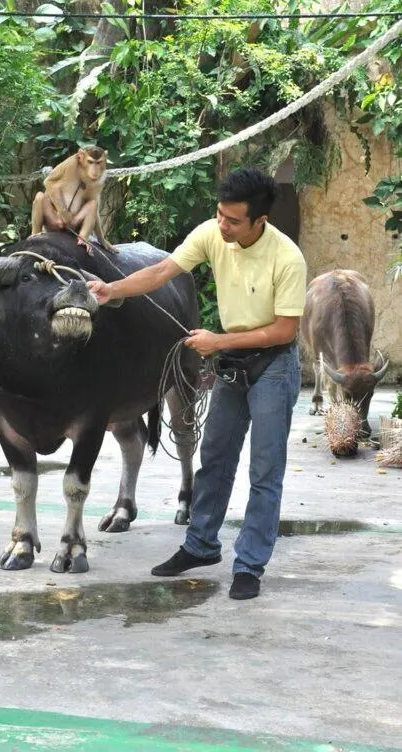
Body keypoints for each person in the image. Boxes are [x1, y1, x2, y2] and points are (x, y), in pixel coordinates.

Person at [87, 168, 306, 600]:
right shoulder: (212, 233)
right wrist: (112, 290)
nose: (222, 224)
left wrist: (217, 341)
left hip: (274, 367)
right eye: (219, 214)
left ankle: (249, 565)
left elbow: (284, 330)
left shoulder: (287, 257)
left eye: (233, 220)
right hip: (232, 363)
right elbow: (161, 271)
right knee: (214, 458)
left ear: (260, 221)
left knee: (265, 472)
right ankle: (201, 545)